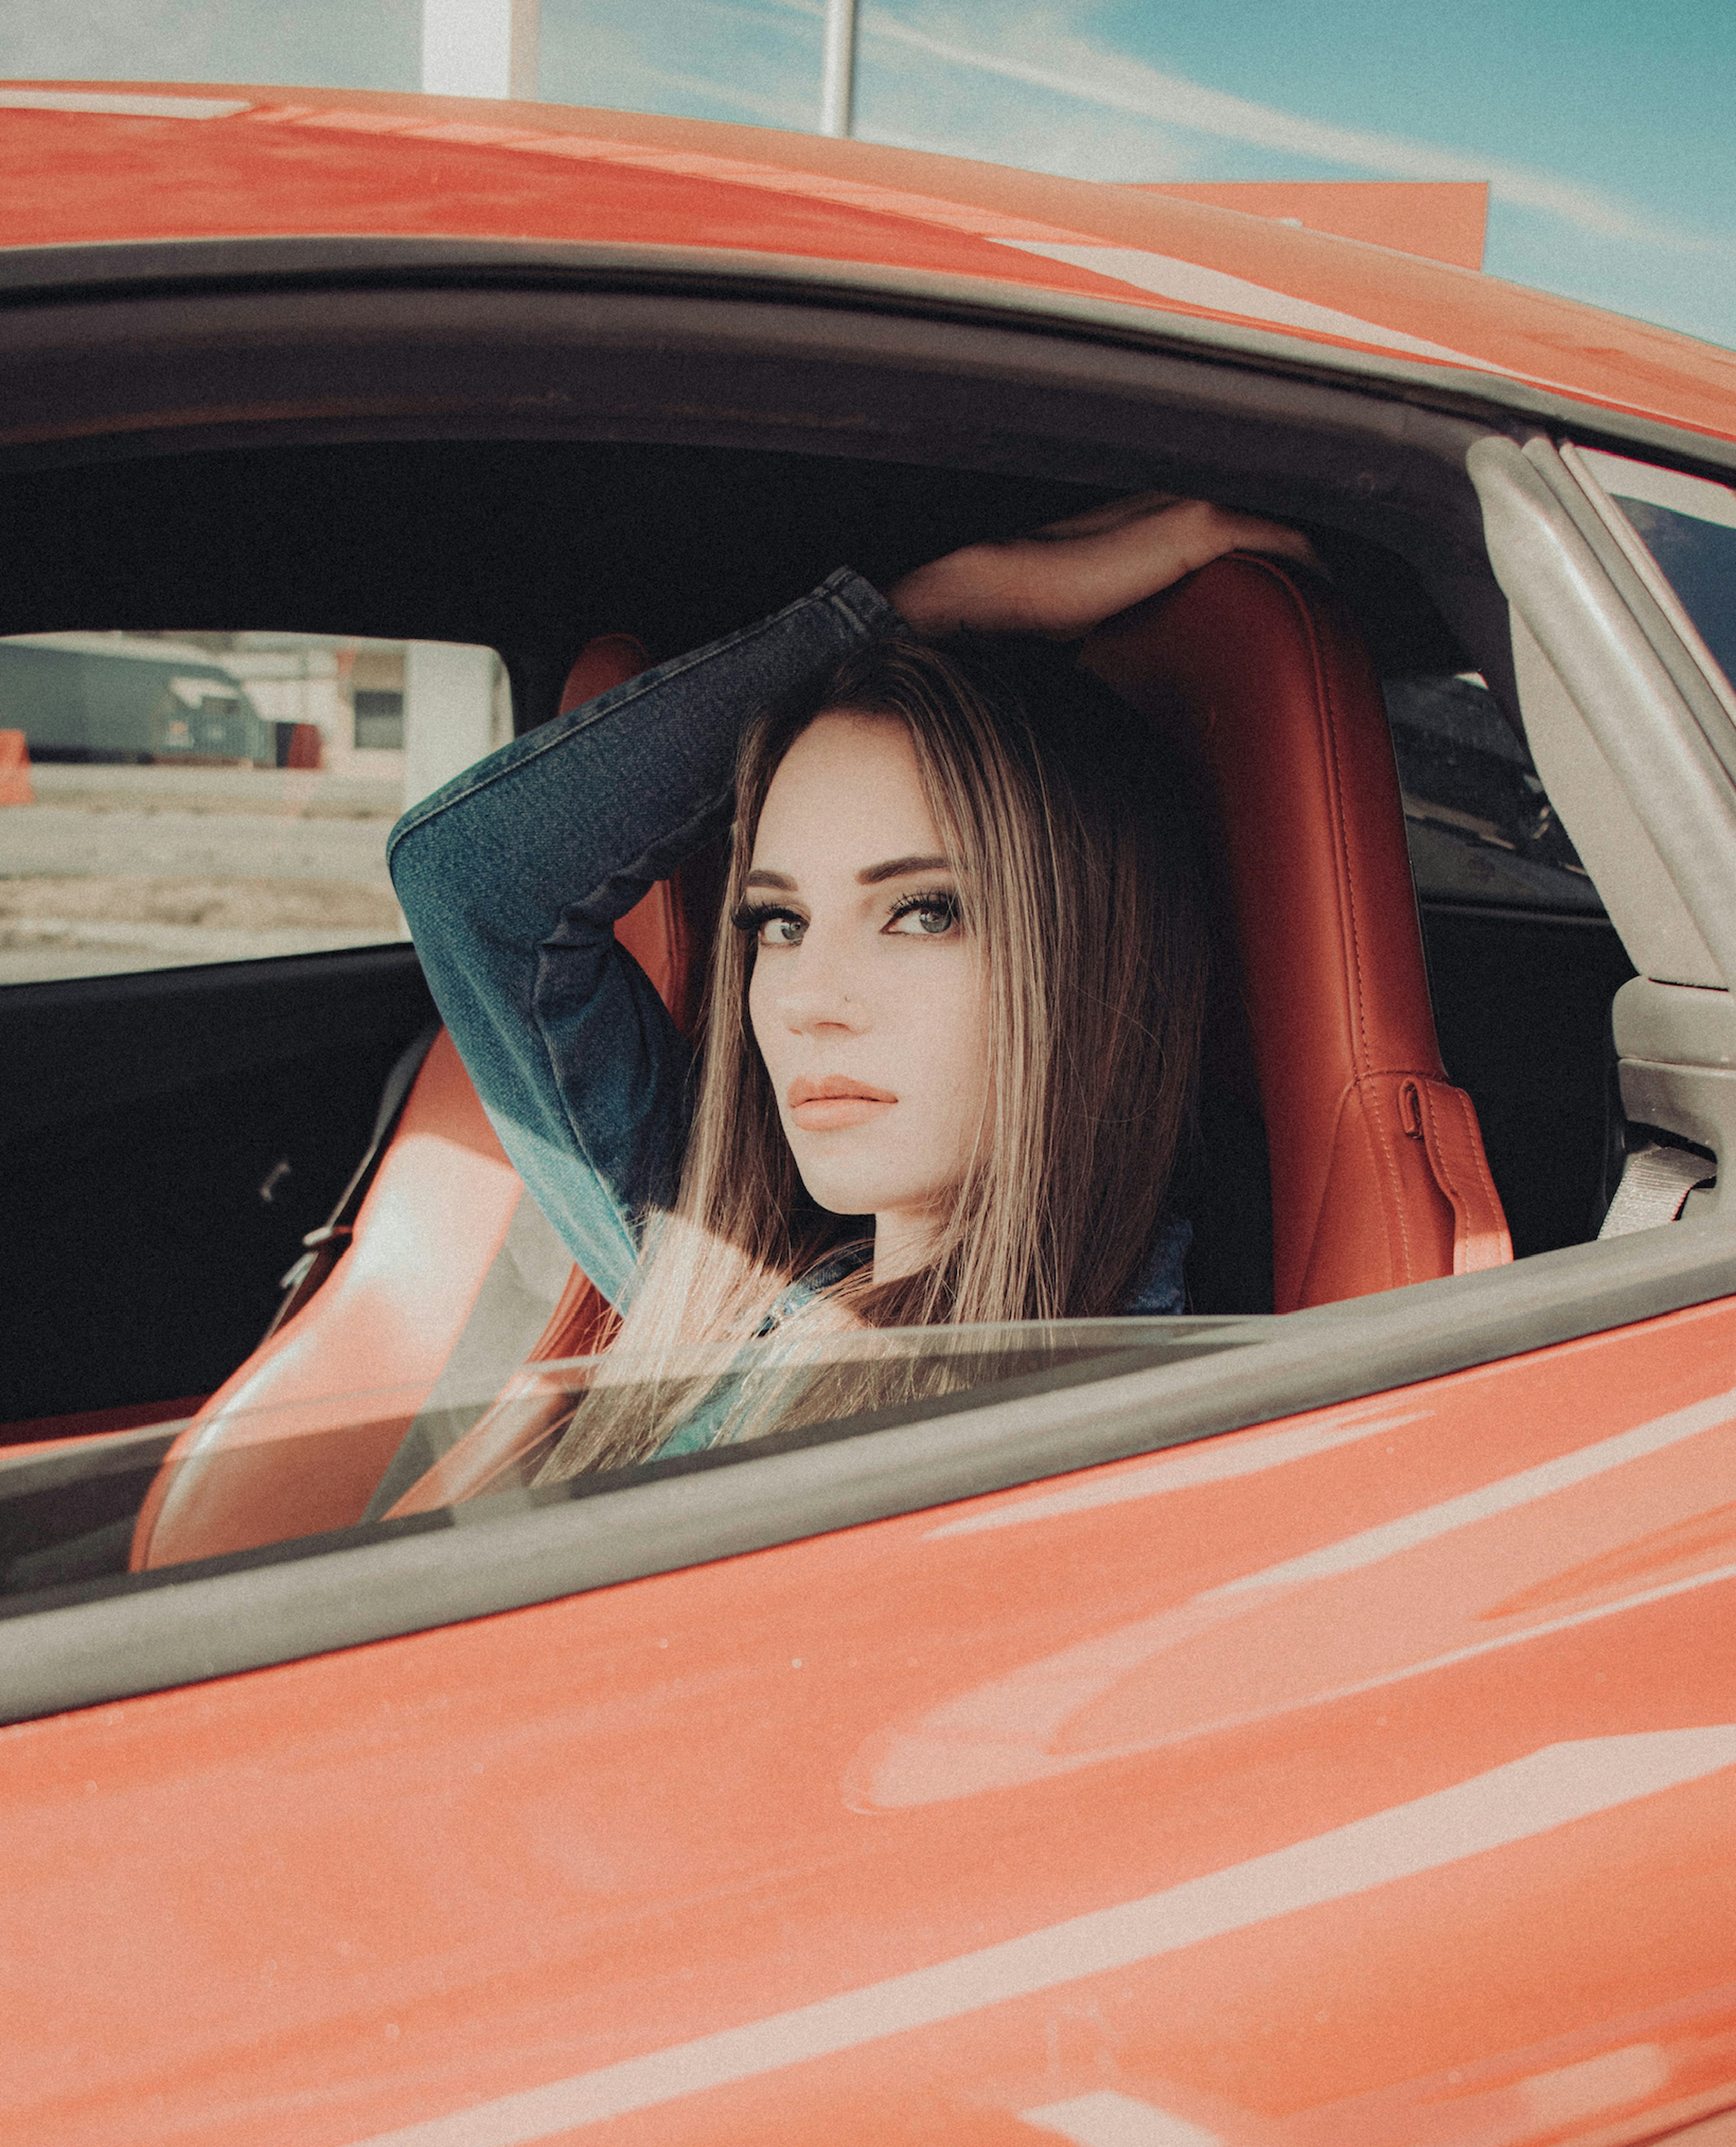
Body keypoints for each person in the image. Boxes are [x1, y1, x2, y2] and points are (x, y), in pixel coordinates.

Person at [389, 493, 1313, 1476]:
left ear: (1086, 958)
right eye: (779, 923)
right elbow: (470, 885)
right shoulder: (726, 1270)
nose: (804, 1002)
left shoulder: (1068, 1434)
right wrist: (933, 606)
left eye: (923, 911)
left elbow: (471, 884)